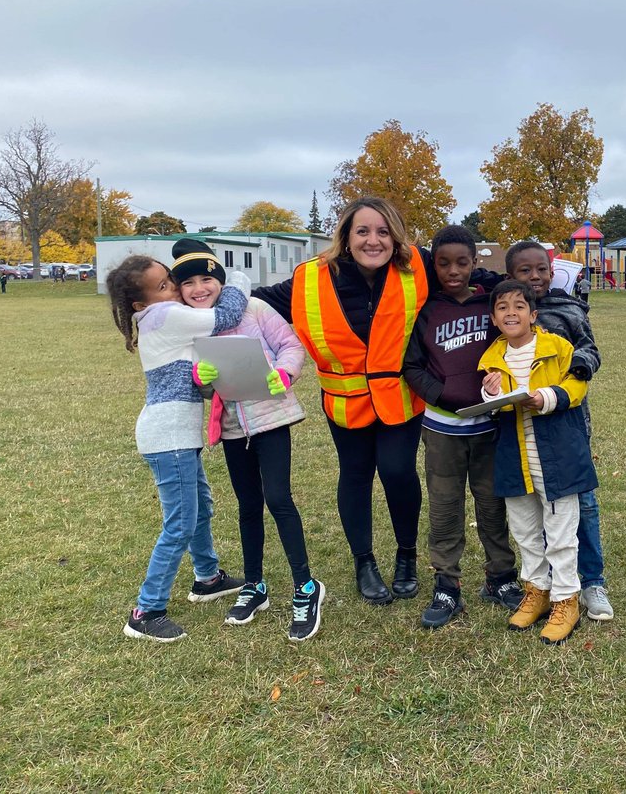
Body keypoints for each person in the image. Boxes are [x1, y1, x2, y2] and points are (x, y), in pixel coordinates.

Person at [251, 197, 498, 606]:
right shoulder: (309, 279)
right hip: (344, 402)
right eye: (363, 231)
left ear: (395, 236)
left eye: (383, 231)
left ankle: (406, 557)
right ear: (346, 236)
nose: (373, 240)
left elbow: (468, 273)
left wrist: (527, 286)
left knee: (399, 472)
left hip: (399, 398)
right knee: (355, 476)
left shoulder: (417, 266)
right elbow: (257, 303)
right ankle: (363, 562)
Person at [173, 241, 325, 642]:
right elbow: (202, 383)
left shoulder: (254, 309)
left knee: (278, 498)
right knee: (247, 506)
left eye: (207, 279)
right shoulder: (192, 326)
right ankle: (255, 585)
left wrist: (285, 373)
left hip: (271, 419)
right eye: (188, 283)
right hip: (231, 429)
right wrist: (201, 380)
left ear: (220, 281)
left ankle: (306, 588)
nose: (199, 288)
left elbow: (291, 346)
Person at [105, 252, 248, 642]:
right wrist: (232, 278)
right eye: (166, 285)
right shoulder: (164, 316)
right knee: (180, 522)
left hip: (176, 435)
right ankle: (146, 611)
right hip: (168, 437)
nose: (175, 289)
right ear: (142, 303)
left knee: (199, 507)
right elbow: (227, 315)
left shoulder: (160, 317)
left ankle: (207, 577)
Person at [402, 225, 523, 629]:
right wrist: (442, 395)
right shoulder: (425, 309)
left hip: (489, 426)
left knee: (492, 503)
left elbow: (511, 345)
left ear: (475, 262)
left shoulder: (491, 303)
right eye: (443, 263)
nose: (453, 270)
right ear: (432, 264)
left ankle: (500, 576)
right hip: (442, 429)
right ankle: (446, 584)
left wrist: (499, 382)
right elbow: (412, 366)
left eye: (462, 262)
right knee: (445, 505)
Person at [478, 280, 598, 645]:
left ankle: (566, 599)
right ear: (494, 318)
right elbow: (487, 398)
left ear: (533, 315)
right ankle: (537, 591)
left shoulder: (558, 347)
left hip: (557, 454)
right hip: (514, 457)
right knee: (526, 530)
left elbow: (577, 386)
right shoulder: (490, 358)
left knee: (561, 533)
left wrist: (548, 397)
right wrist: (490, 393)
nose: (510, 313)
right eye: (502, 308)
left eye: (519, 307)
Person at [506, 240, 613, 622]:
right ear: (510, 276)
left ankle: (592, 581)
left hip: (568, 425)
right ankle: (546, 583)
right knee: (534, 506)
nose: (535, 277)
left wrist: (577, 369)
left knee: (581, 502)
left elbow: (590, 349)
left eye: (542, 269)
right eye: (525, 271)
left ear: (552, 273)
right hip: (522, 431)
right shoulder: (505, 312)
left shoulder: (568, 311)